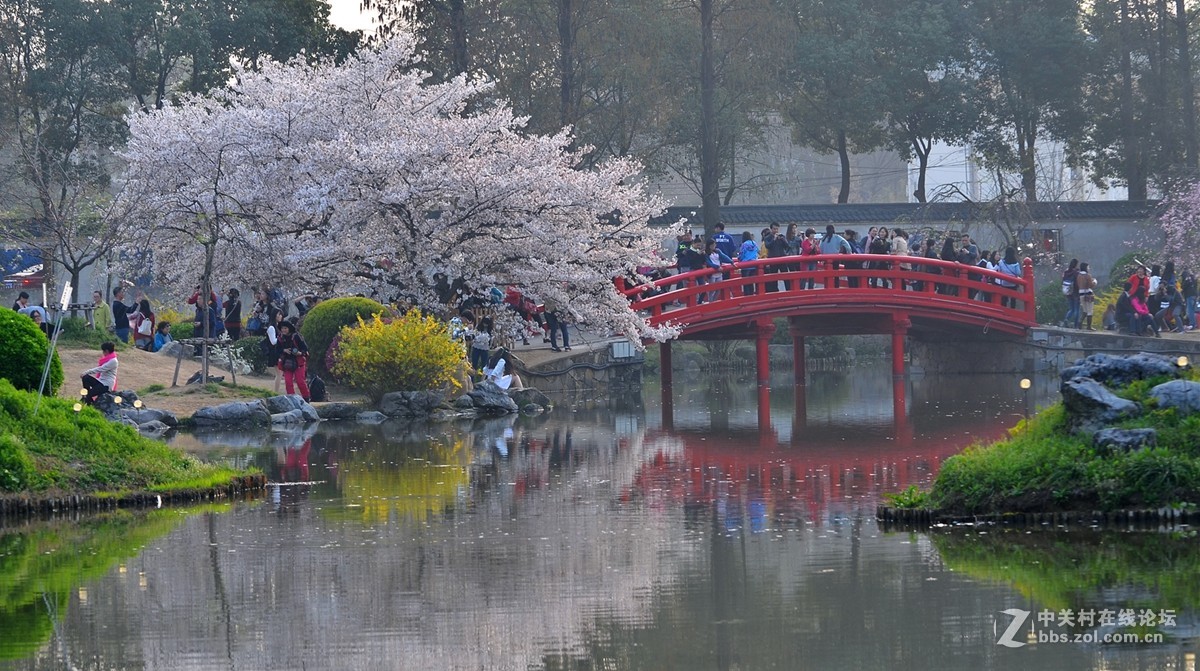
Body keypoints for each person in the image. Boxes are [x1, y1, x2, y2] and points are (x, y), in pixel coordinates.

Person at [275, 319, 311, 400]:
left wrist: (300, 353)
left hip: (299, 362)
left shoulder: (297, 336)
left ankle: (306, 398)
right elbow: (277, 350)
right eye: (282, 328)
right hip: (287, 363)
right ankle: (292, 399)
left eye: (285, 328)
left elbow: (305, 348)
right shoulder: (280, 338)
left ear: (289, 328)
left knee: (300, 381)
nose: (283, 330)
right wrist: (284, 350)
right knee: (288, 382)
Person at [266, 307, 284, 393]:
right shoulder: (271, 328)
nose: (281, 316)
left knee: (280, 373)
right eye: (279, 314)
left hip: (279, 352)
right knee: (279, 373)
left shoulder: (278, 327)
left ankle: (276, 392)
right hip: (274, 353)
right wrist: (282, 337)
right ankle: (276, 392)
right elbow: (273, 341)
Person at [1075, 262, 1097, 330]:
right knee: (1090, 311)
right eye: (1088, 267)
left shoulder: (1078, 276)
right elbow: (1090, 285)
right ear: (1085, 268)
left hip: (1081, 294)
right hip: (1088, 294)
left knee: (1085, 310)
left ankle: (1079, 323)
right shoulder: (1088, 275)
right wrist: (1095, 282)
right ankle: (1089, 326)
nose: (1089, 268)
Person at [737, 231, 759, 296]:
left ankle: (747, 296)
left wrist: (739, 259)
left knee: (745, 282)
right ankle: (751, 295)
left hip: (745, 265)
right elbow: (757, 251)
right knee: (751, 282)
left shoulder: (744, 244)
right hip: (753, 265)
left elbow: (742, 254)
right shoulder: (754, 243)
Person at [1061, 258, 1080, 329]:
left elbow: (1063, 280)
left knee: (1071, 309)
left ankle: (1066, 319)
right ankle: (1076, 325)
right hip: (1075, 292)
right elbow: (1077, 283)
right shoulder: (1076, 273)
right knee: (1076, 310)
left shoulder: (1066, 272)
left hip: (1068, 292)